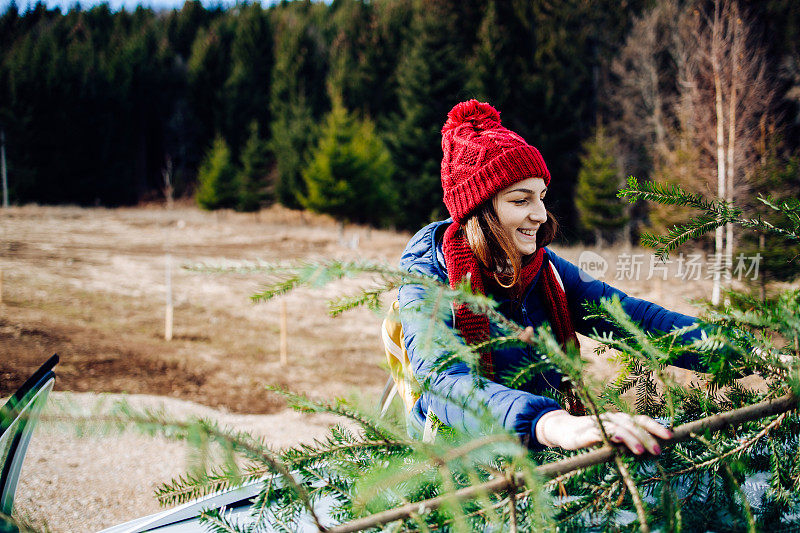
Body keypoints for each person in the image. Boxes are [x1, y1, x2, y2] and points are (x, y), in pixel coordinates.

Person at [398, 100, 705, 454]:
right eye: (520, 200)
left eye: (542, 197)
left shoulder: (546, 270)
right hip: (461, 462)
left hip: (543, 447)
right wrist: (549, 422)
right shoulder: (430, 279)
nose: (541, 214)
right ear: (478, 209)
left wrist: (738, 352)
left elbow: (635, 318)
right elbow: (445, 381)